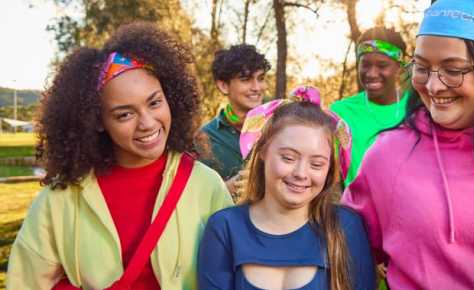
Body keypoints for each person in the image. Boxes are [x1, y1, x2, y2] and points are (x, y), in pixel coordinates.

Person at [6, 22, 233, 290]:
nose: (147, 123)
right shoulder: (60, 199)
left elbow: (233, 274)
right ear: (98, 121)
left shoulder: (206, 185)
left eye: (154, 102)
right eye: (125, 114)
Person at [342, 1, 474, 289]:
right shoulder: (388, 153)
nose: (433, 86)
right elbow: (342, 246)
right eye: (421, 67)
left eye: (452, 70)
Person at [198, 97, 376, 290]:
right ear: (262, 152)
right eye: (288, 158)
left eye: (316, 164)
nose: (300, 173)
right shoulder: (225, 228)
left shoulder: (345, 227)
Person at [330, 27, 409, 187]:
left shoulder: (417, 110)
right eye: (365, 64)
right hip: (354, 209)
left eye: (382, 65)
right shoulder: (341, 112)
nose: (371, 73)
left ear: (399, 68)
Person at [200, 44, 271, 197]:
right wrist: (226, 188)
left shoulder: (279, 126)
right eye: (246, 79)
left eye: (261, 78)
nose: (257, 87)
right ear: (224, 85)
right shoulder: (204, 138)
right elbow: (196, 196)